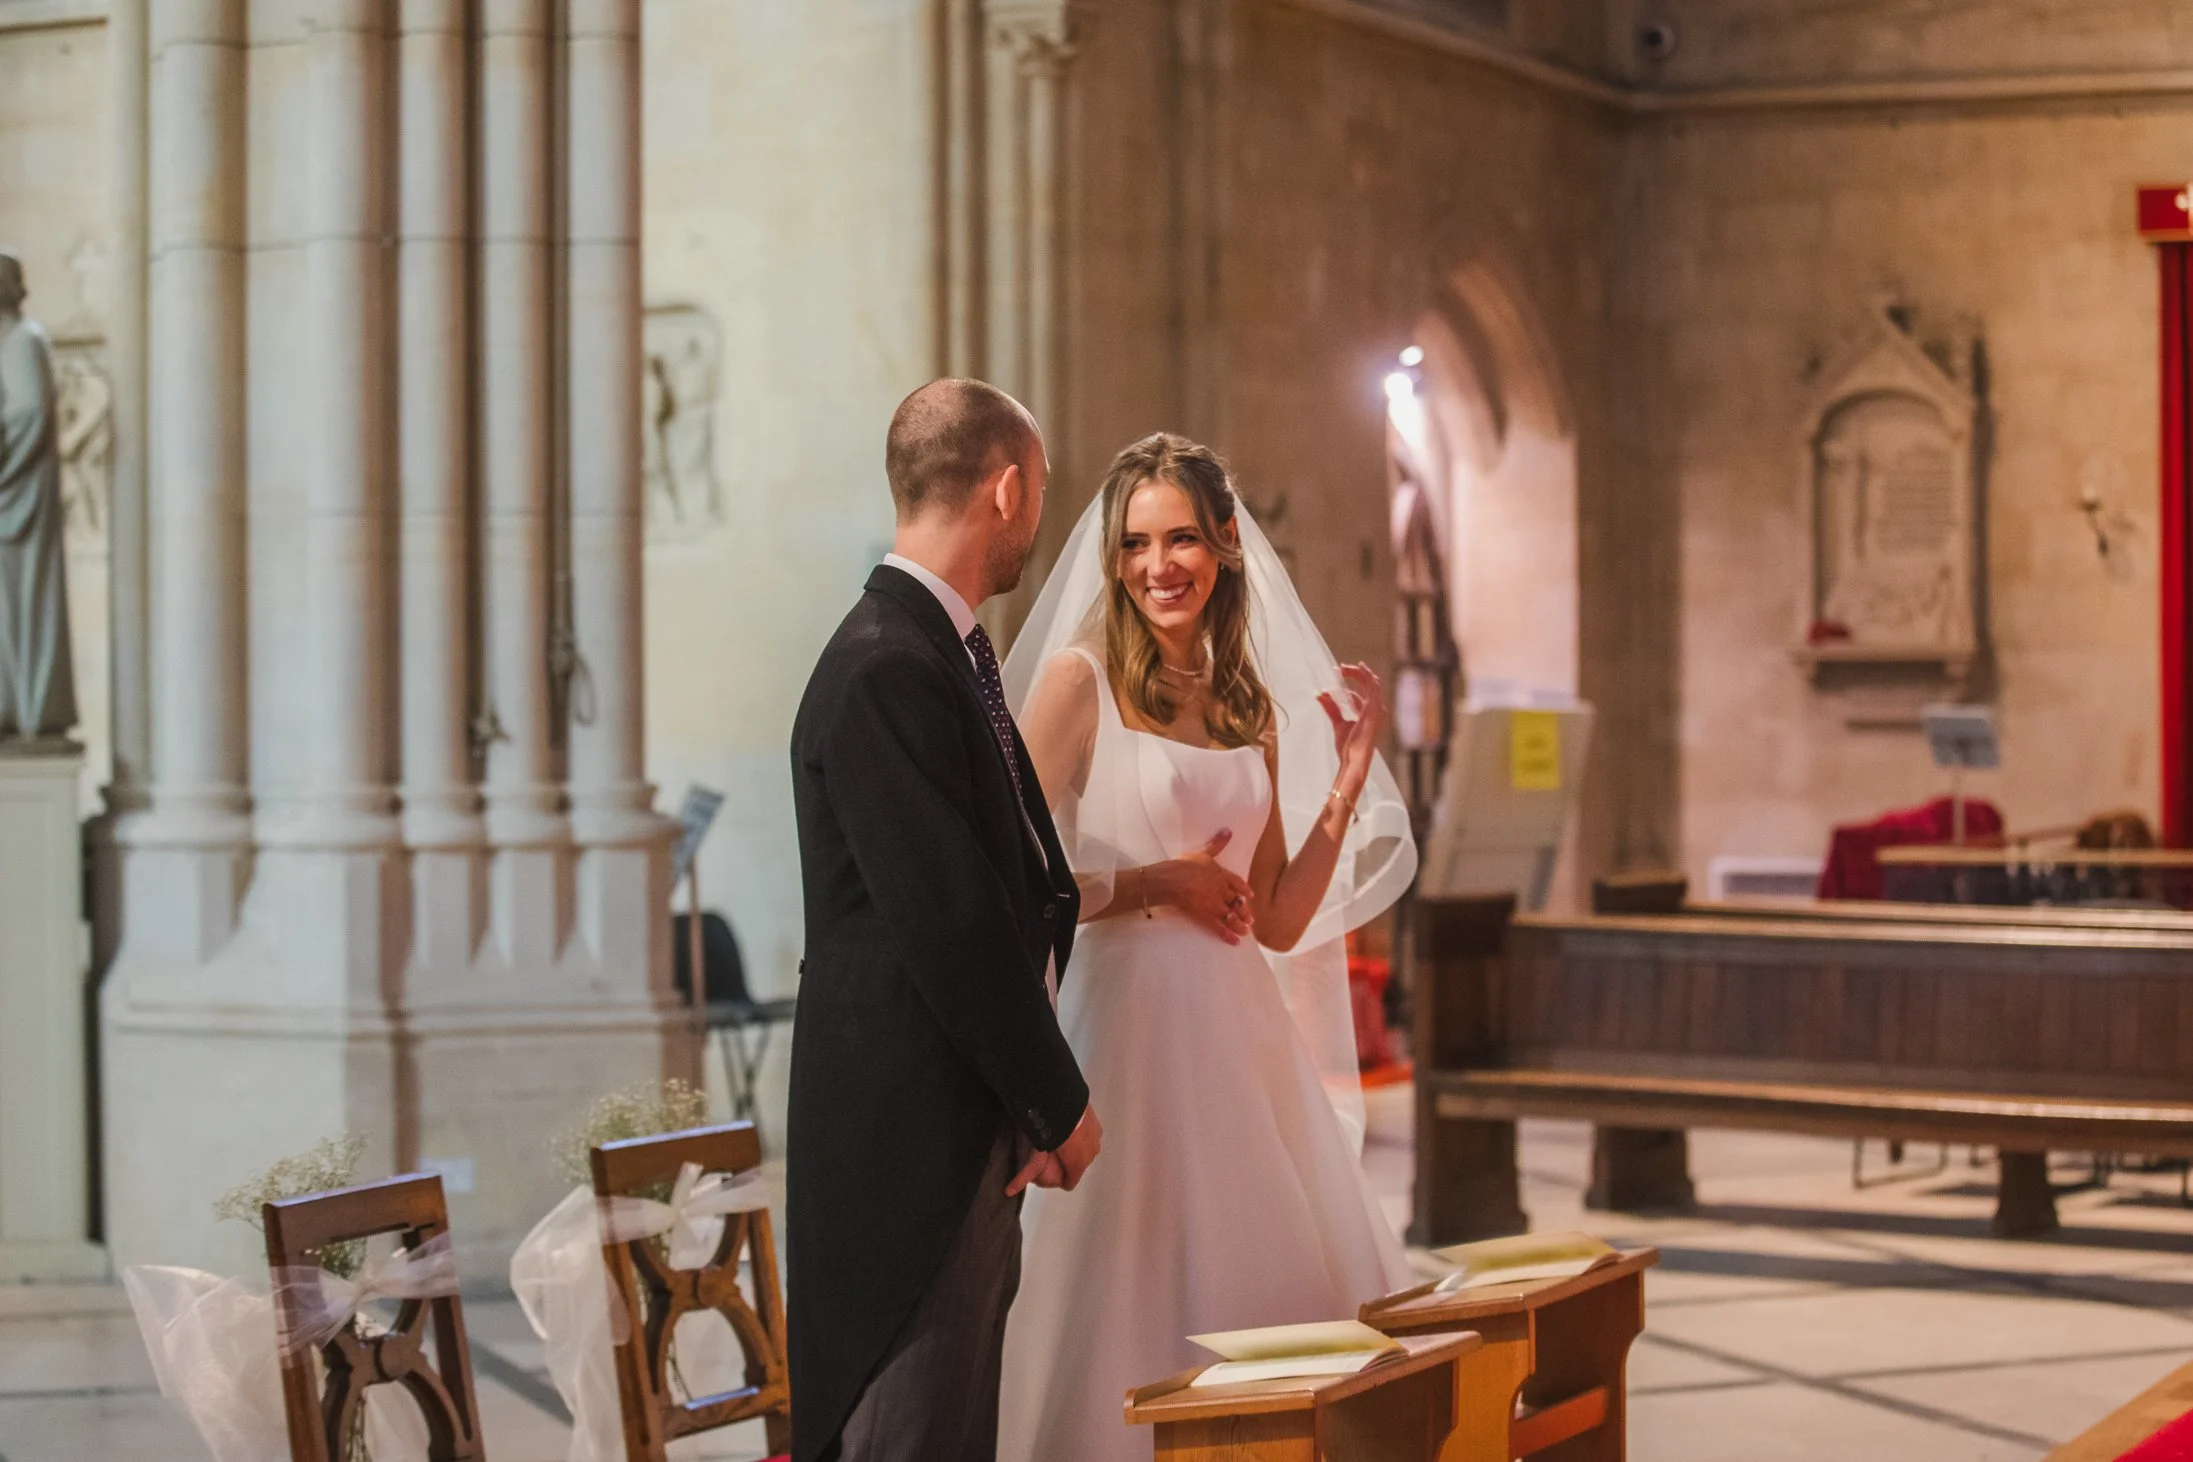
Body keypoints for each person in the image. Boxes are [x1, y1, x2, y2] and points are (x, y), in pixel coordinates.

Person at [996, 433, 1417, 1462]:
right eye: (1135, 543)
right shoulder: (1077, 683)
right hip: (1123, 1033)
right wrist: (1156, 883)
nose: (1158, 565)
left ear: (1227, 543)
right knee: (1126, 1290)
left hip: (1239, 1041)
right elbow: (1004, 881)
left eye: (1181, 537)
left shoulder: (1245, 703)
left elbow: (1272, 918)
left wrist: (1347, 786)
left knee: (1266, 1281)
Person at [787, 379, 1103, 1462]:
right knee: (909, 1427)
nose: (1038, 523)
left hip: (957, 1122)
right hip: (904, 1150)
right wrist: (1060, 1103)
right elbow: (956, 924)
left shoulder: (933, 652)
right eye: (1042, 493)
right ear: (1007, 488)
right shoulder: (888, 665)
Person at [0, 250, 76, 742]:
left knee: (20, 602)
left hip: (16, 497)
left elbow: (29, 413)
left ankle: (26, 710)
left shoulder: (24, 340)